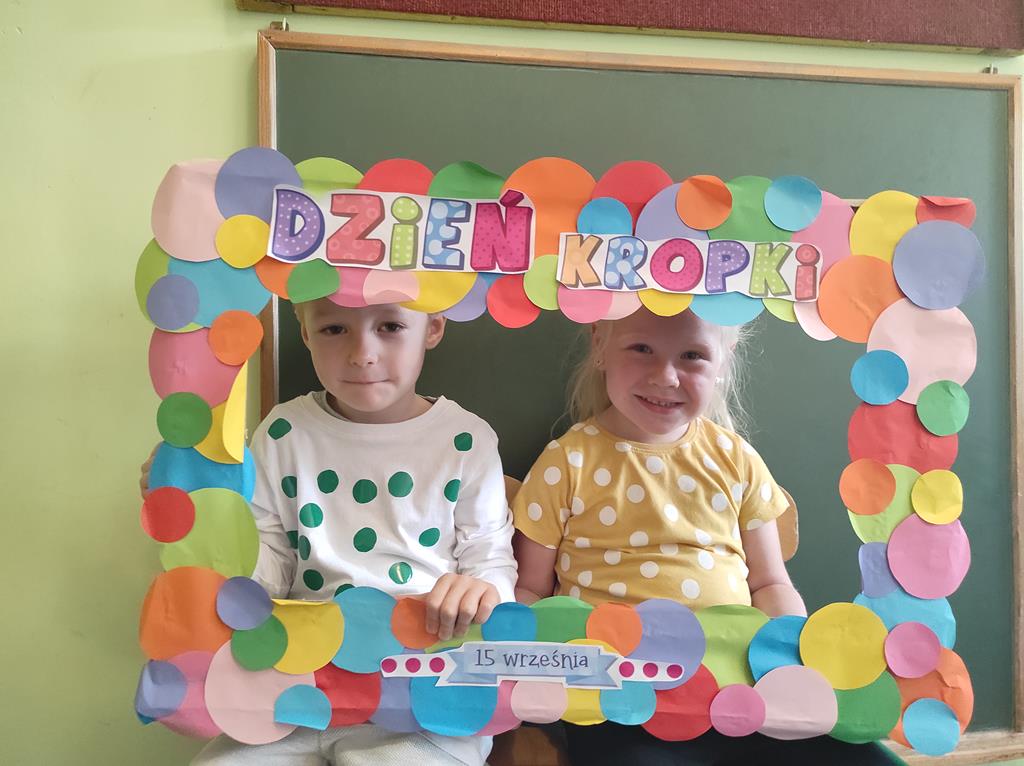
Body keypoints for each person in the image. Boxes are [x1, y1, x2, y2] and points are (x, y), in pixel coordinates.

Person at [512, 306, 900, 765]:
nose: (665, 376)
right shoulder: (566, 462)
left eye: (692, 356)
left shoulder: (735, 459)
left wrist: (791, 660)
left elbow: (769, 583)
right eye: (642, 348)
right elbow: (531, 592)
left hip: (738, 690)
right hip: (618, 700)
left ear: (724, 359)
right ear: (600, 344)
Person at [144, 298, 516, 766]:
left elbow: (490, 558)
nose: (362, 354)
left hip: (422, 696)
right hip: (296, 687)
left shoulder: (467, 439)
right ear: (305, 332)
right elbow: (267, 566)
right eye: (335, 329)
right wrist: (207, 515)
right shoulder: (283, 431)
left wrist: (480, 591)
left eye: (390, 326)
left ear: (434, 328)